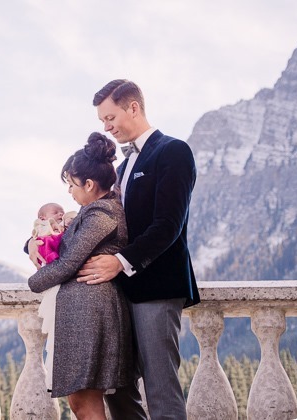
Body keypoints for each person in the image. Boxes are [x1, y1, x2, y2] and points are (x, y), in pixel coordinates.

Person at [77, 79, 199, 420]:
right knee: (118, 390)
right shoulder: (121, 168)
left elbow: (168, 226)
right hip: (117, 293)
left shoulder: (173, 151)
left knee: (161, 390)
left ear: (133, 107)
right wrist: (39, 240)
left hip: (157, 288)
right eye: (102, 121)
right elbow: (98, 218)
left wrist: (119, 262)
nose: (106, 126)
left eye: (110, 117)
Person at [28, 132, 133, 420]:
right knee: (80, 402)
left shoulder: (102, 214)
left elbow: (68, 262)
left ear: (89, 184)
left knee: (85, 403)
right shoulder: (91, 212)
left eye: (72, 185)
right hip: (81, 313)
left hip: (89, 313)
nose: (70, 193)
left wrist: (33, 283)